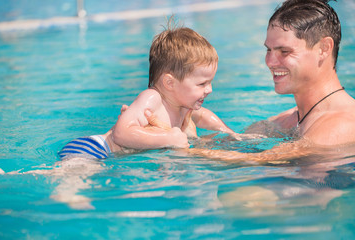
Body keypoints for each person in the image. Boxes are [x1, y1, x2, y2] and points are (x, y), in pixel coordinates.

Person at [148, 0, 355, 162]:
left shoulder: (342, 123)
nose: (270, 62)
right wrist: (164, 128)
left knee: (242, 200)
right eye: (268, 50)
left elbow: (259, 160)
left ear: (323, 49)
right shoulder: (289, 120)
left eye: (284, 51)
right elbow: (233, 142)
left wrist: (179, 145)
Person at [58, 24, 253, 161]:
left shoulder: (183, 108)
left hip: (108, 158)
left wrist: (229, 132)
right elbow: (121, 133)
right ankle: (66, 190)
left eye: (210, 82)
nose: (209, 90)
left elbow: (204, 117)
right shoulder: (153, 98)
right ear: (170, 83)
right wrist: (169, 139)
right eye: (202, 83)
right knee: (75, 173)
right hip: (94, 148)